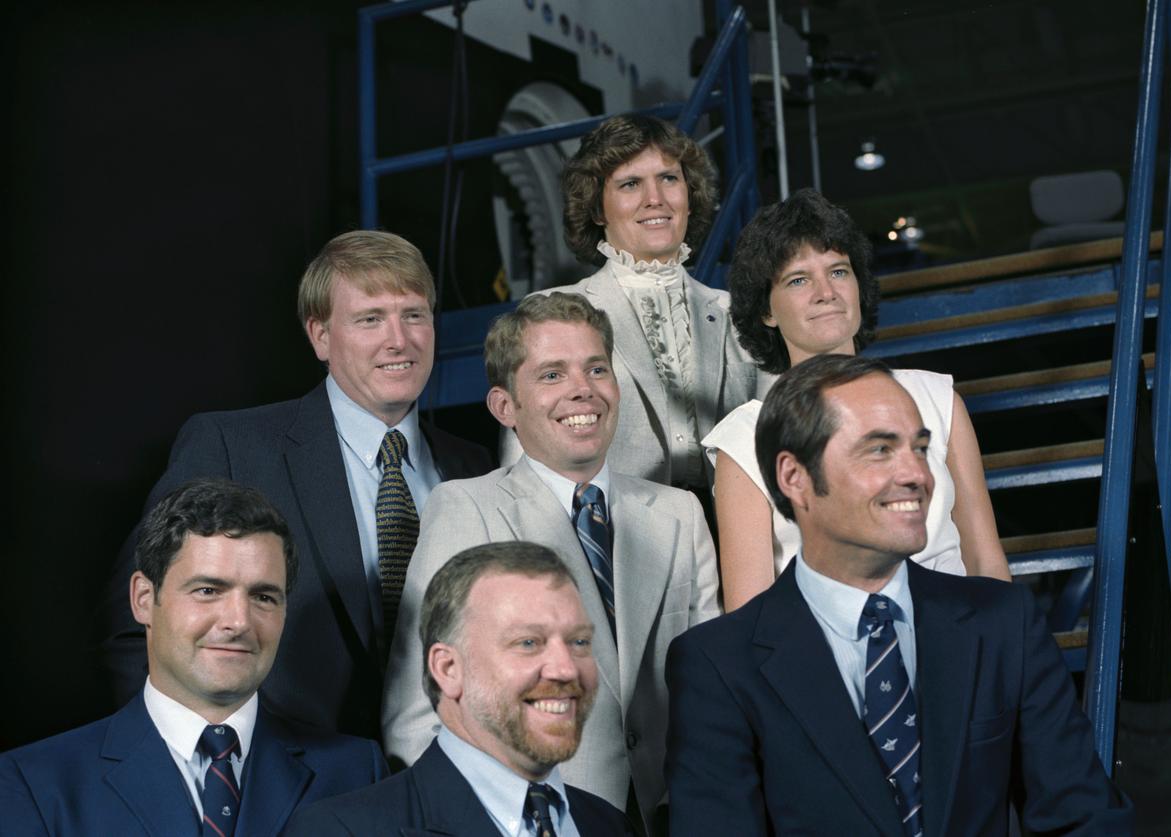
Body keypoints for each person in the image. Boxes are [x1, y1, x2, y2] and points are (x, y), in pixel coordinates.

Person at [666, 355, 1132, 835]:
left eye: (920, 448)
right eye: (880, 450)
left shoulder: (1004, 622)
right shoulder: (717, 665)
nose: (917, 475)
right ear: (795, 478)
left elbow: (1084, 818)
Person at [100, 230, 492, 740]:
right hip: (281, 773)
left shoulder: (475, 465)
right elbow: (134, 629)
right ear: (320, 336)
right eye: (370, 319)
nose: (399, 339)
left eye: (414, 315)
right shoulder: (232, 447)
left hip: (450, 772)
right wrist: (189, 765)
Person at [384, 292, 719, 833]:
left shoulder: (680, 514)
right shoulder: (466, 508)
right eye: (552, 374)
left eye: (596, 369)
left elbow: (711, 695)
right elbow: (418, 714)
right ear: (504, 407)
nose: (582, 389)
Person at [1, 479, 387, 836]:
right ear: (143, 599)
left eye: (263, 597)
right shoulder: (34, 783)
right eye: (207, 590)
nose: (239, 621)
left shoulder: (355, 774)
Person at [703, 188, 1009, 610]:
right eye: (798, 280)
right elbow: (749, 612)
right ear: (766, 311)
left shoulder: (936, 398)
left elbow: (985, 560)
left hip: (956, 628)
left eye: (838, 271)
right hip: (820, 643)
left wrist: (1002, 644)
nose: (826, 292)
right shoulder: (743, 439)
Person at [287, 541, 633, 836]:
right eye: (528, 642)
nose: (566, 668)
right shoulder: (341, 830)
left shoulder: (612, 826)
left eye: (579, 641)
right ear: (448, 669)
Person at [503, 114, 758, 493]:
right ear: (597, 208)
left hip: (733, 519)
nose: (655, 199)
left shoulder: (736, 313)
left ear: (689, 196)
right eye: (631, 184)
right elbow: (522, 467)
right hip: (616, 522)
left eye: (669, 178)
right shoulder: (550, 313)